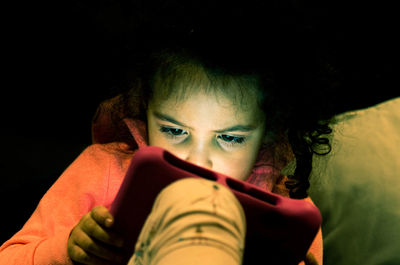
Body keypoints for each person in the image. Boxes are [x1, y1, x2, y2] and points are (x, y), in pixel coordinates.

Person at [0, 5, 334, 264]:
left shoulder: (288, 209)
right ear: (144, 111)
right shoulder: (102, 170)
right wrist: (69, 250)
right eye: (175, 131)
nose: (197, 159)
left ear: (269, 133)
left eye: (230, 138)